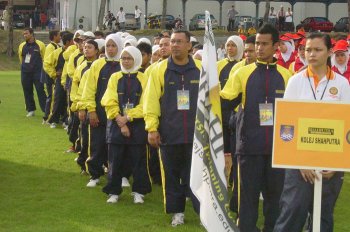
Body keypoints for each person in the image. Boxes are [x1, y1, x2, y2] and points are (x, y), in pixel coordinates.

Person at [274, 32, 350, 232]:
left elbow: (346, 125)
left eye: (318, 49)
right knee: (292, 211)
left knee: (323, 215)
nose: (312, 54)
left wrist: (336, 164)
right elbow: (286, 123)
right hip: (299, 164)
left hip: (330, 163)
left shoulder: (341, 84)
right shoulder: (295, 81)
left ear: (329, 52)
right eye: (308, 50)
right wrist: (300, 161)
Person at [220, 24, 292, 232]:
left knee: (275, 200)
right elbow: (224, 102)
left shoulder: (287, 76)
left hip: (278, 151)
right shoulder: (242, 73)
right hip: (249, 149)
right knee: (248, 199)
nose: (259, 48)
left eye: (264, 44)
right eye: (257, 44)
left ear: (276, 46)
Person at [143, 30, 200, 227]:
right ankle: (177, 212)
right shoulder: (159, 70)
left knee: (197, 176)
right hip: (169, 133)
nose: (174, 45)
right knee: (172, 176)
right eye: (172, 41)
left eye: (179, 42)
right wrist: (152, 128)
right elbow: (150, 101)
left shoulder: (201, 69)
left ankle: (203, 214)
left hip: (196, 136)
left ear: (189, 46)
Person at [101, 46, 152, 204]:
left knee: (138, 160)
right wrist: (120, 120)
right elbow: (108, 100)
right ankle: (114, 191)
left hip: (137, 125)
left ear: (136, 59)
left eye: (129, 58)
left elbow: (146, 103)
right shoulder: (114, 77)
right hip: (116, 125)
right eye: (123, 58)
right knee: (115, 160)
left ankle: (138, 191)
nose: (126, 61)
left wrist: (129, 117)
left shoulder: (144, 78)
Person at [80, 34, 123, 187]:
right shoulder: (98, 65)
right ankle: (95, 174)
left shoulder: (124, 64)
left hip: (118, 115)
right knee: (97, 145)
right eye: (108, 46)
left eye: (114, 46)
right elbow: (89, 89)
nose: (111, 49)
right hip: (99, 113)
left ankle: (120, 174)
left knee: (117, 146)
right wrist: (91, 110)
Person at [217, 35, 244, 186]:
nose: (230, 48)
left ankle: (235, 177)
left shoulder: (243, 66)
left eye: (233, 45)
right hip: (222, 110)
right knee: (223, 145)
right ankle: (223, 177)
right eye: (228, 45)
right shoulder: (219, 65)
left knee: (235, 145)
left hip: (236, 111)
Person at [44, 32, 75, 128]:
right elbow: (46, 63)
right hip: (59, 79)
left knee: (68, 101)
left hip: (70, 80)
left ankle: (66, 120)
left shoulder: (75, 52)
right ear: (69, 41)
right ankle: (53, 120)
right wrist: (54, 73)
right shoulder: (57, 52)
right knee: (57, 99)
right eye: (73, 40)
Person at [18, 28, 47, 117]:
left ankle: (46, 110)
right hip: (25, 72)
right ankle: (30, 110)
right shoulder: (22, 45)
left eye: (26, 33)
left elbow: (44, 57)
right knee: (27, 91)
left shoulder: (40, 44)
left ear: (31, 34)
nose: (25, 35)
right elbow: (21, 58)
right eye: (24, 34)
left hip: (37, 72)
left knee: (40, 91)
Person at [42, 30, 61, 122]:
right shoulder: (50, 47)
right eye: (59, 35)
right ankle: (47, 117)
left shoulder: (57, 46)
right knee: (51, 96)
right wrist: (54, 74)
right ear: (54, 36)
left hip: (53, 76)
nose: (60, 37)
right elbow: (47, 63)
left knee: (55, 97)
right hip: (50, 76)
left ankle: (55, 116)